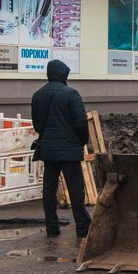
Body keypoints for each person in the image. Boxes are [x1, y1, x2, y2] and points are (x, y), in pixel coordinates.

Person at [30, 60, 92, 239]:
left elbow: (37, 125)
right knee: (76, 189)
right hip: (69, 149)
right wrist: (82, 141)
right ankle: (82, 228)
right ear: (63, 75)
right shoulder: (71, 94)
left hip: (48, 149)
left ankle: (52, 227)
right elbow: (80, 122)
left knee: (49, 189)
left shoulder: (38, 95)